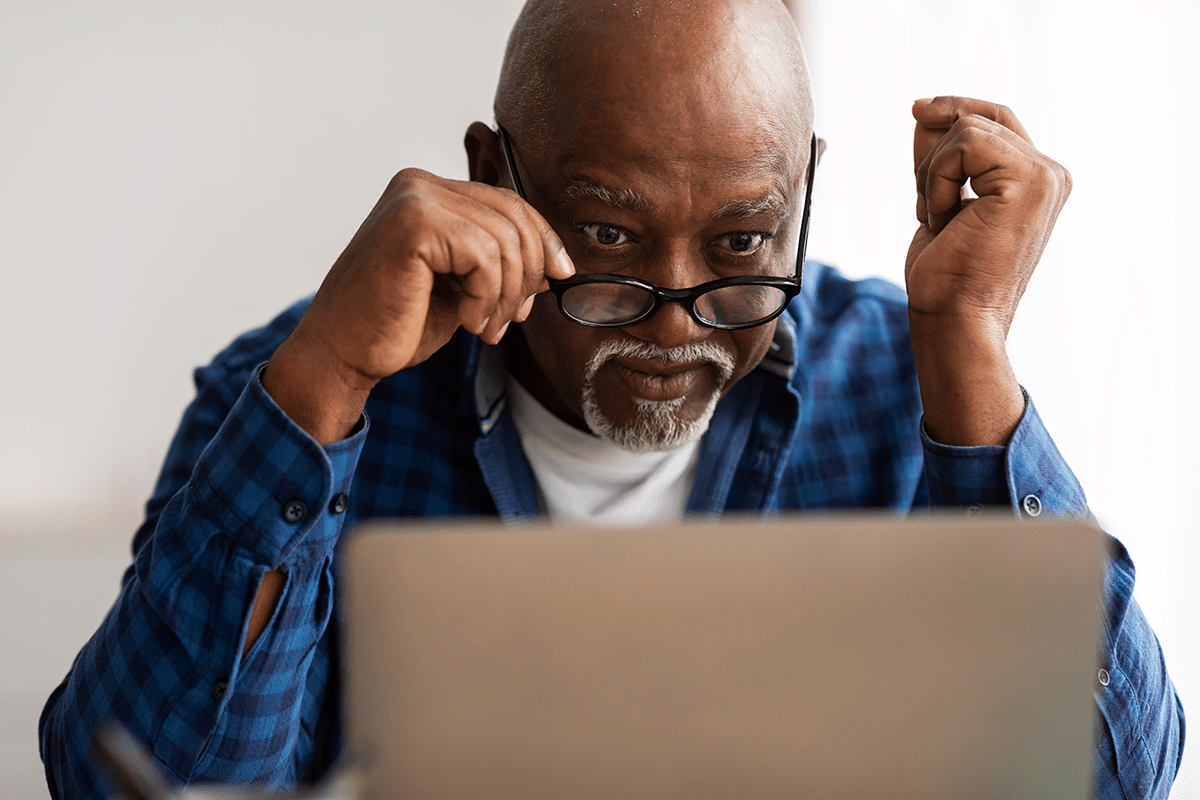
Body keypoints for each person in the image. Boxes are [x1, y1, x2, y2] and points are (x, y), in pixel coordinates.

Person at [40, 0, 1184, 797]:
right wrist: (327, 378)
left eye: (741, 241)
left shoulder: (908, 379)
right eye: (607, 233)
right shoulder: (302, 387)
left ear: (805, 193)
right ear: (493, 177)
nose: (677, 316)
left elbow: (1115, 782)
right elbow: (136, 785)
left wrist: (970, 345)